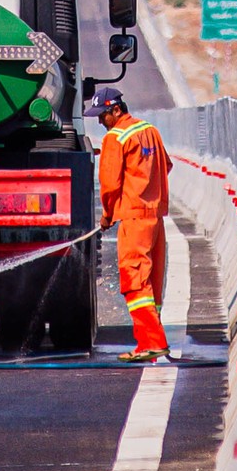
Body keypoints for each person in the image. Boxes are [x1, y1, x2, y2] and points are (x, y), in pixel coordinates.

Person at [91, 87, 170, 362]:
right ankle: (147, 343)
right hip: (155, 216)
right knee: (150, 282)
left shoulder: (116, 138)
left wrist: (107, 215)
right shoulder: (150, 130)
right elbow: (165, 165)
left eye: (102, 115)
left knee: (134, 278)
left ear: (116, 110)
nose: (101, 122)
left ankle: (154, 342)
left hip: (134, 217)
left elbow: (110, 185)